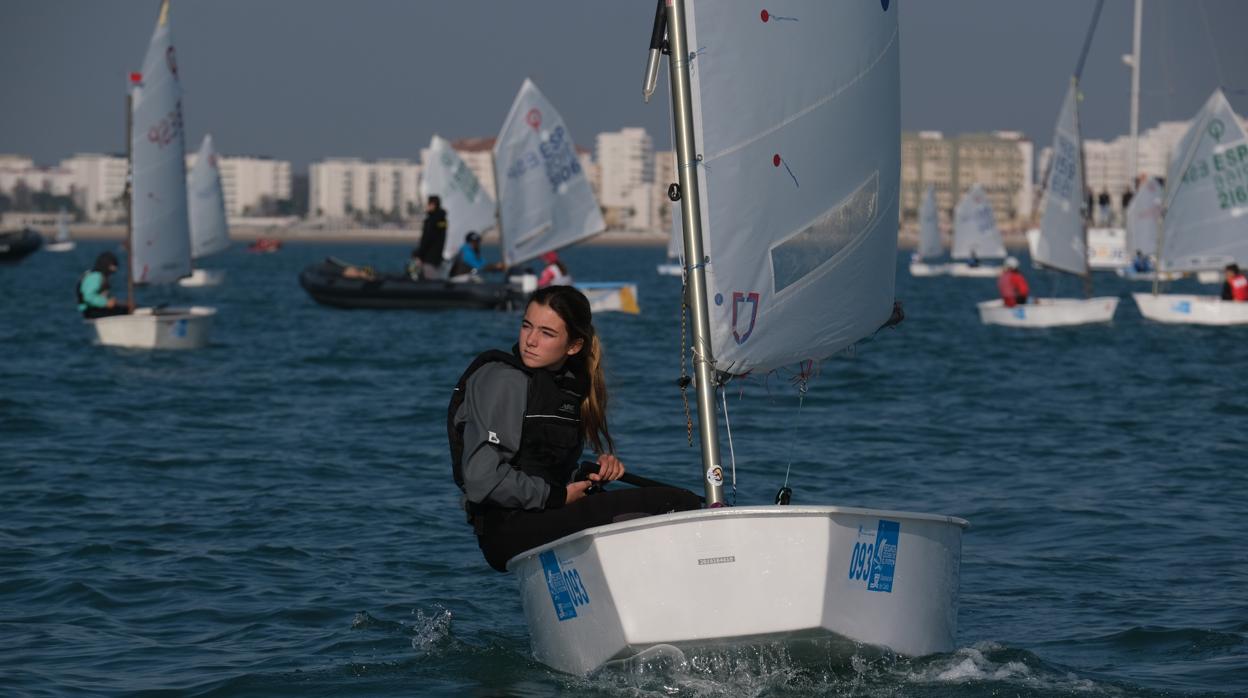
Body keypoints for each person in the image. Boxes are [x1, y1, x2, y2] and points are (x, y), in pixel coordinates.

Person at [449, 285, 701, 572]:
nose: (530, 340)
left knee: (676, 498)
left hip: (545, 514)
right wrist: (557, 496)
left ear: (574, 346)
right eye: (526, 326)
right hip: (509, 528)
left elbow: (542, 467)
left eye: (547, 333)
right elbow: (482, 479)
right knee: (677, 502)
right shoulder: (503, 380)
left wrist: (590, 474)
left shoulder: (565, 387)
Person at [76, 251, 130, 319]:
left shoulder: (99, 276)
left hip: (95, 309)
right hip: (92, 311)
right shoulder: (96, 276)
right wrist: (105, 303)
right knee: (126, 311)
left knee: (125, 308)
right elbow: (88, 296)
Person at [415, 195, 448, 280]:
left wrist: (419, 255)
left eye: (428, 204)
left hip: (429, 258)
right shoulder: (442, 220)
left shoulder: (432, 220)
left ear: (433, 205)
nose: (427, 206)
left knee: (431, 282)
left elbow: (427, 239)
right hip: (437, 257)